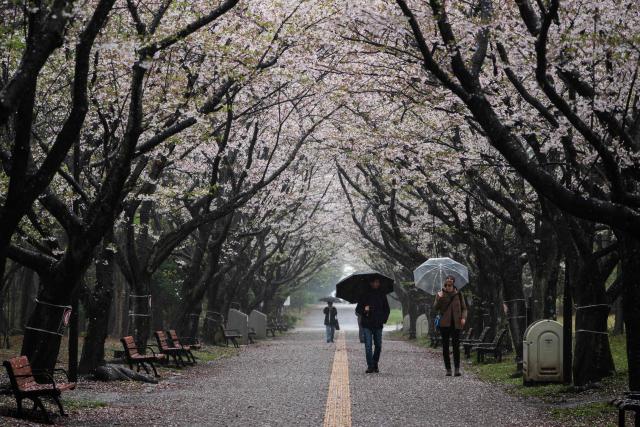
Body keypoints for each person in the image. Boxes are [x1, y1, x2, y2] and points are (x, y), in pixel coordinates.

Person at [433, 275, 468, 376]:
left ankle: (457, 369)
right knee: (445, 347)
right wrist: (439, 298)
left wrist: (463, 318)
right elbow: (435, 308)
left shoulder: (459, 294)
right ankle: (448, 369)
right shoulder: (440, 294)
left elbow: (464, 308)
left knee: (456, 347)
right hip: (444, 324)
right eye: (446, 284)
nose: (448, 286)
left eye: (450, 284)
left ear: (453, 284)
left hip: (456, 324)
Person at [355, 278, 390, 373]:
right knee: (368, 346)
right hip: (367, 324)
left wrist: (383, 319)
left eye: (378, 282)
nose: (376, 283)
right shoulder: (364, 295)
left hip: (378, 324)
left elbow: (387, 309)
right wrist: (364, 310)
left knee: (378, 345)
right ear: (370, 283)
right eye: (375, 282)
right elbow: (358, 310)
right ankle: (370, 366)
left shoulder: (382, 295)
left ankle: (375, 363)